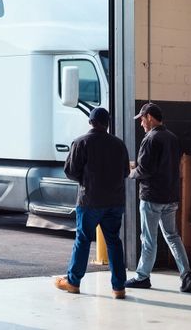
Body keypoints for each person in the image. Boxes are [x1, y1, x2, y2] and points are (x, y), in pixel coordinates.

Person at [54, 107, 130, 299]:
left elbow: (71, 171)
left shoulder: (81, 142)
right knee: (114, 241)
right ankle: (119, 287)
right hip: (115, 202)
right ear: (107, 124)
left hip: (89, 201)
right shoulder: (119, 145)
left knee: (83, 240)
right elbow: (126, 172)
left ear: (91, 122)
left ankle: (73, 282)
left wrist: (86, 178)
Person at [125, 102, 191, 293]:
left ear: (149, 117)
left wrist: (130, 172)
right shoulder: (172, 138)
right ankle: (186, 274)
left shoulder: (150, 139)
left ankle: (142, 277)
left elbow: (144, 170)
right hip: (171, 196)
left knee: (148, 239)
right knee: (172, 236)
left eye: (142, 119)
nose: (141, 123)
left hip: (152, 197)